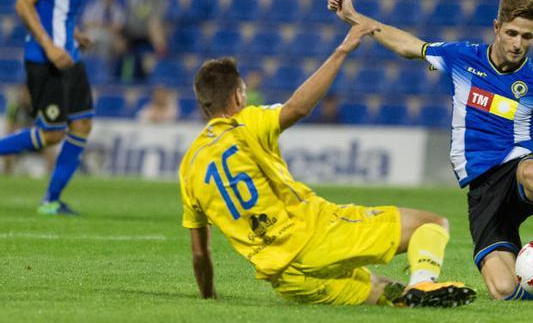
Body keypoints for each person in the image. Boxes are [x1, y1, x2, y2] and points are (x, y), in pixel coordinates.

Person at [328, 0, 533, 301]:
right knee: (502, 290)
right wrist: (355, 18)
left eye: (527, 37)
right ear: (496, 28)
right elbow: (408, 45)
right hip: (482, 190)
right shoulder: (462, 58)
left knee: (529, 169)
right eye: (512, 33)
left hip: (516, 168)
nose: (518, 44)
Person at [179, 24, 475, 307]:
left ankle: (411, 294)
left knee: (391, 295)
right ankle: (423, 281)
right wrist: (342, 51)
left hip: (288, 280)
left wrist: (209, 299)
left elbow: (198, 252)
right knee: (432, 224)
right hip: (316, 235)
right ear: (237, 96)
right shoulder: (246, 123)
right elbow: (298, 107)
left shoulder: (189, 167)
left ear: (202, 103)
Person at [0, 0, 96, 214]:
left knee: (82, 124)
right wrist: (50, 44)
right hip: (46, 58)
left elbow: (57, 7)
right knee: (52, 134)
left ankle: (51, 201)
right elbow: (23, 3)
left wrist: (73, 34)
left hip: (70, 54)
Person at [118, 0, 168, 83]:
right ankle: (124, 75)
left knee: (155, 27)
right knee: (119, 44)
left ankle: (161, 60)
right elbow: (130, 17)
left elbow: (157, 17)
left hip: (149, 32)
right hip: (133, 31)